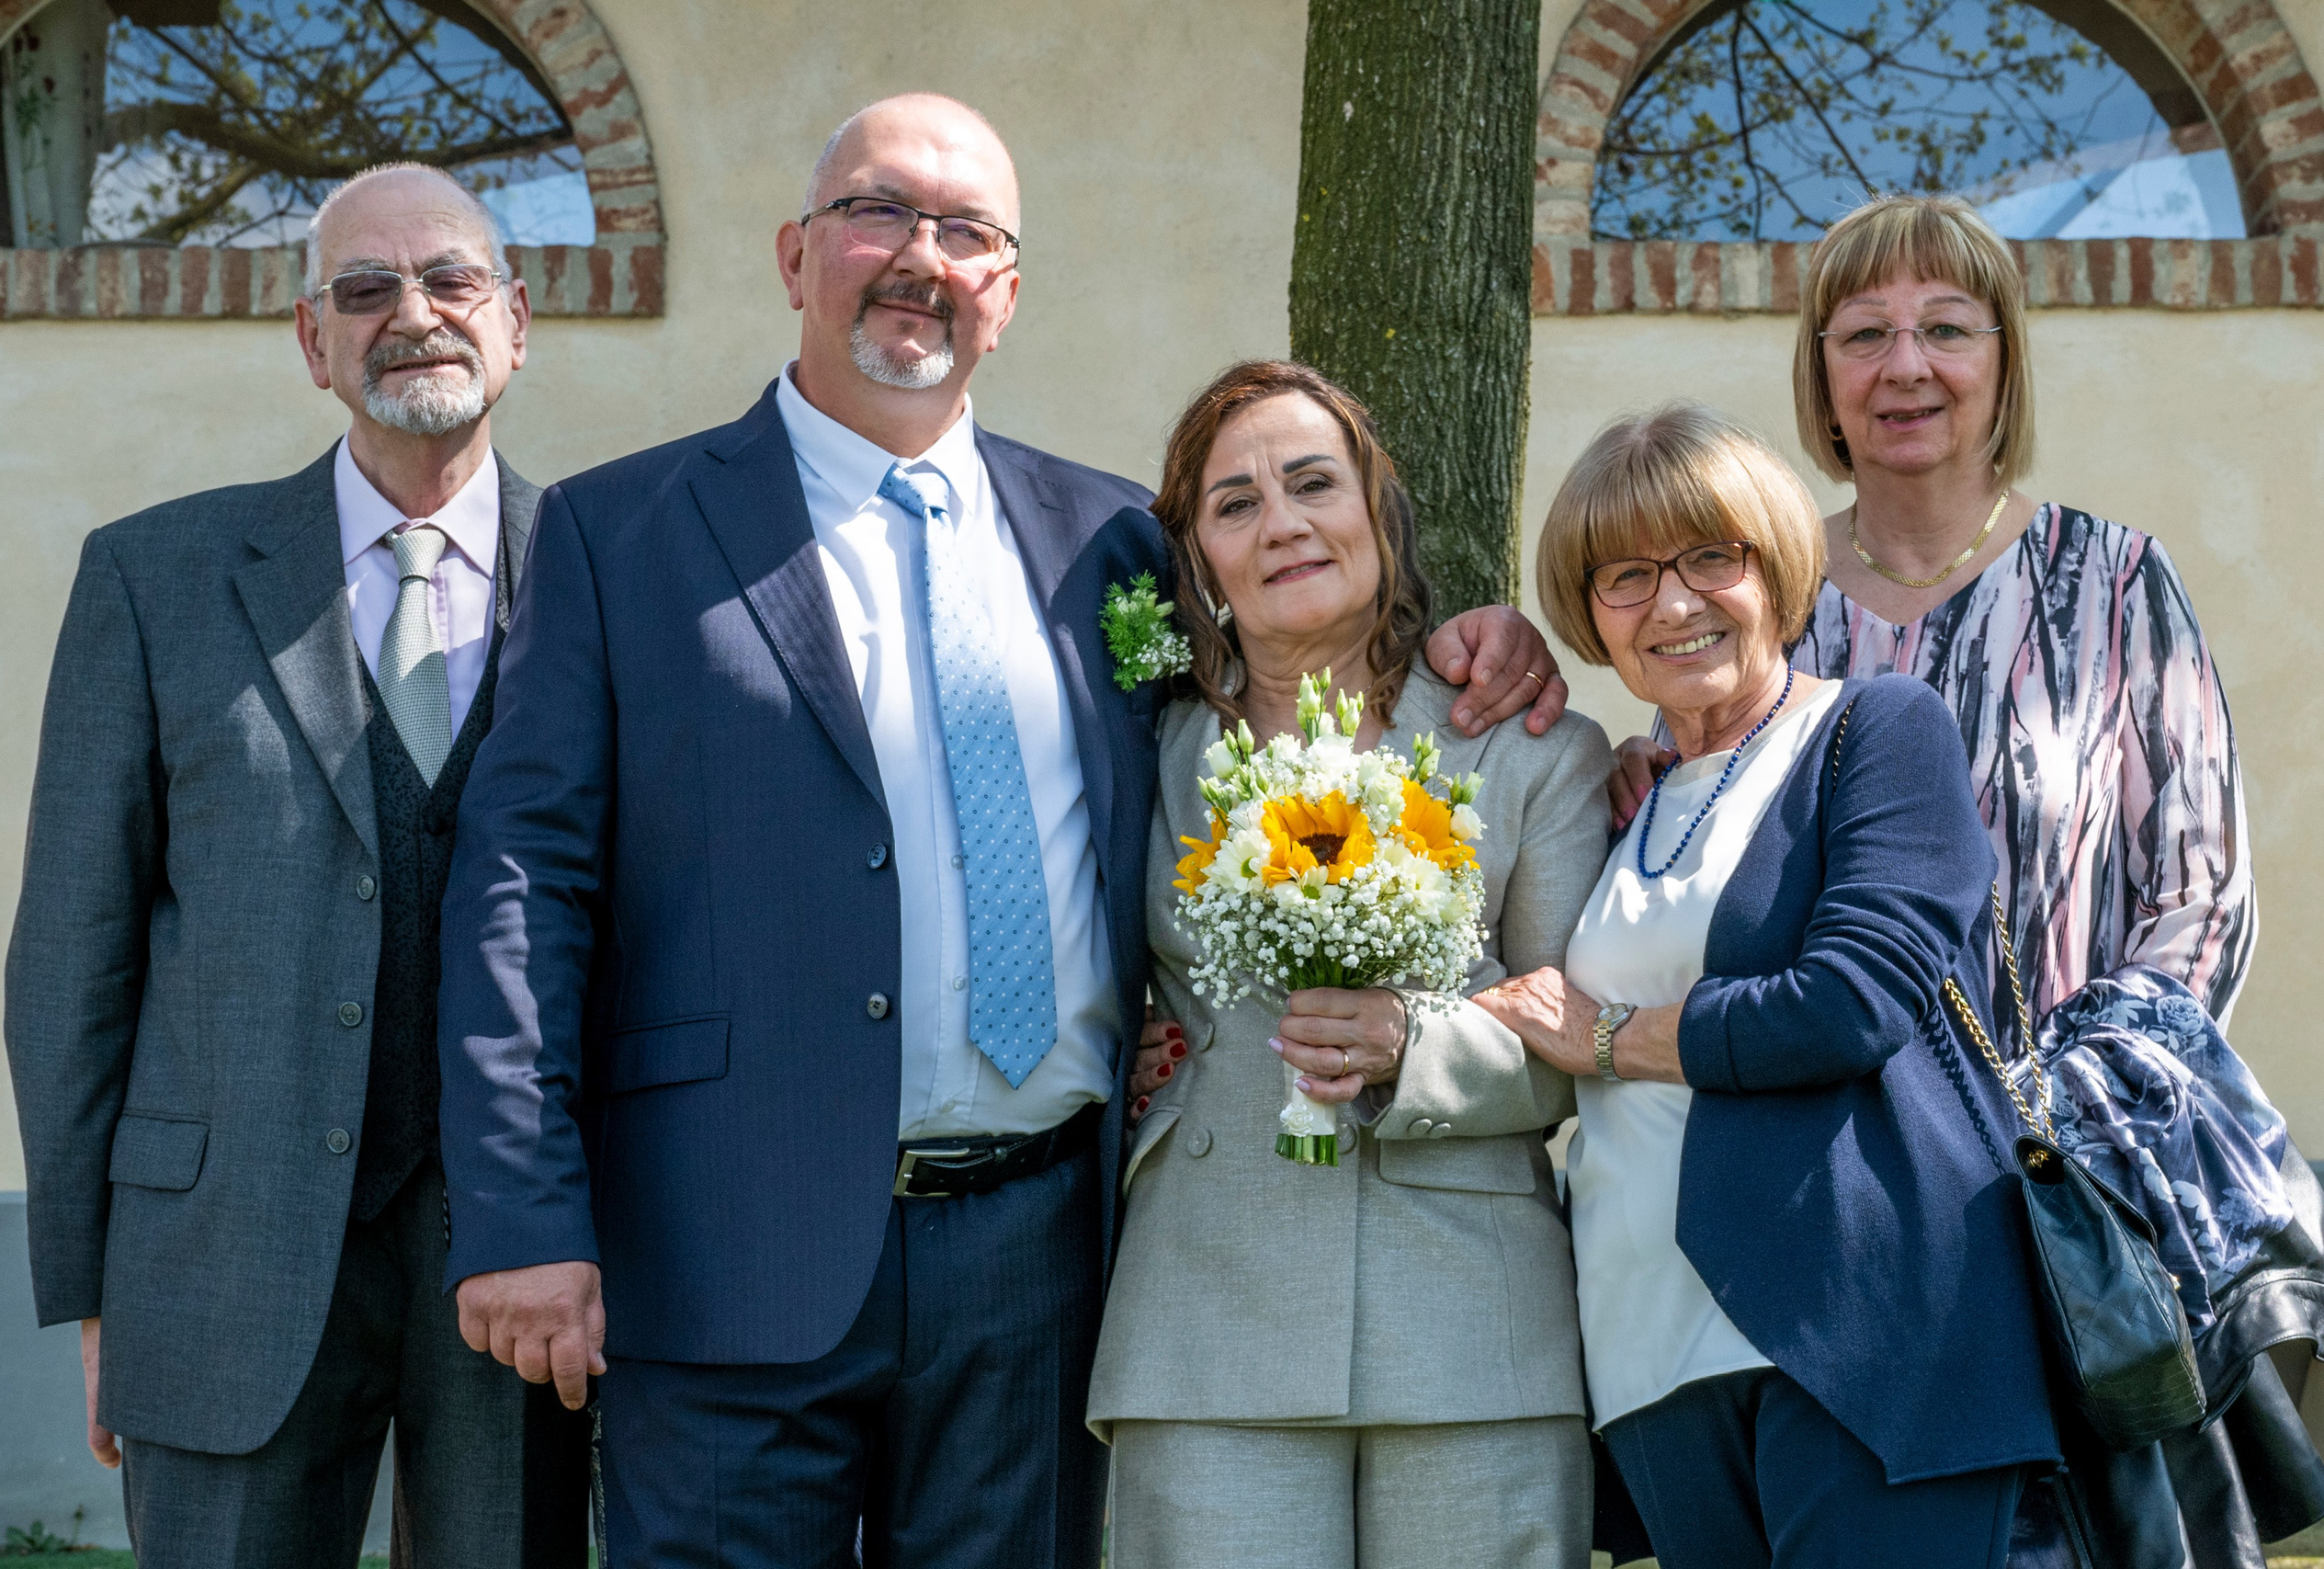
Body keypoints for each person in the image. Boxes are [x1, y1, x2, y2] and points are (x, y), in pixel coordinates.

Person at [431, 93, 1557, 1567]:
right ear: (795, 254)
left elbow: (1285, 683)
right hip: (722, 1237)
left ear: (1007, 293)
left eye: (966, 232)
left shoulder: (1111, 543)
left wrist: (1480, 638)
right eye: (879, 213)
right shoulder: (617, 531)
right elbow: (524, 883)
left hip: (1035, 1253)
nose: (921, 256)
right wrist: (522, 1208)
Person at [1602, 196, 2307, 1561]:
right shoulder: (1756, 599)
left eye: (1944, 328)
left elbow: (2203, 889)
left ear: (2004, 359)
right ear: (1820, 376)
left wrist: (2052, 1108)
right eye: (1861, 333)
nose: (1904, 364)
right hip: (1844, 1209)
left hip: (2066, 1186)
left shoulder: (2113, 583)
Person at [3, 163, 588, 1566]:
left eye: (451, 281)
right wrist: (96, 1288)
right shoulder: (154, 578)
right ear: (312, 343)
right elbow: (71, 956)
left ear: (516, 321)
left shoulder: (605, 572)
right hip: (221, 1256)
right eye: (365, 289)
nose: (414, 315)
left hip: (522, 1252)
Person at [1475, 403, 2058, 1569]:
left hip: (1863, 1330)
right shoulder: (1619, 797)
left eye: (1710, 557)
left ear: (1778, 566)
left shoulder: (1875, 730)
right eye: (1625, 575)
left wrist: (1607, 1039)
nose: (1674, 603)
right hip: (1647, 1349)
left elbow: (1849, 1000)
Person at [1086, 361, 1613, 1568]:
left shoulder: (1531, 751)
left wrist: (1414, 1048)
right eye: (1235, 502)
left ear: (1377, 508)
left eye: (1313, 481)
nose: (1282, 522)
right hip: (1207, 1302)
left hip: (1473, 1313)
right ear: (1197, 556)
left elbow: (1589, 1039)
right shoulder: (1139, 747)